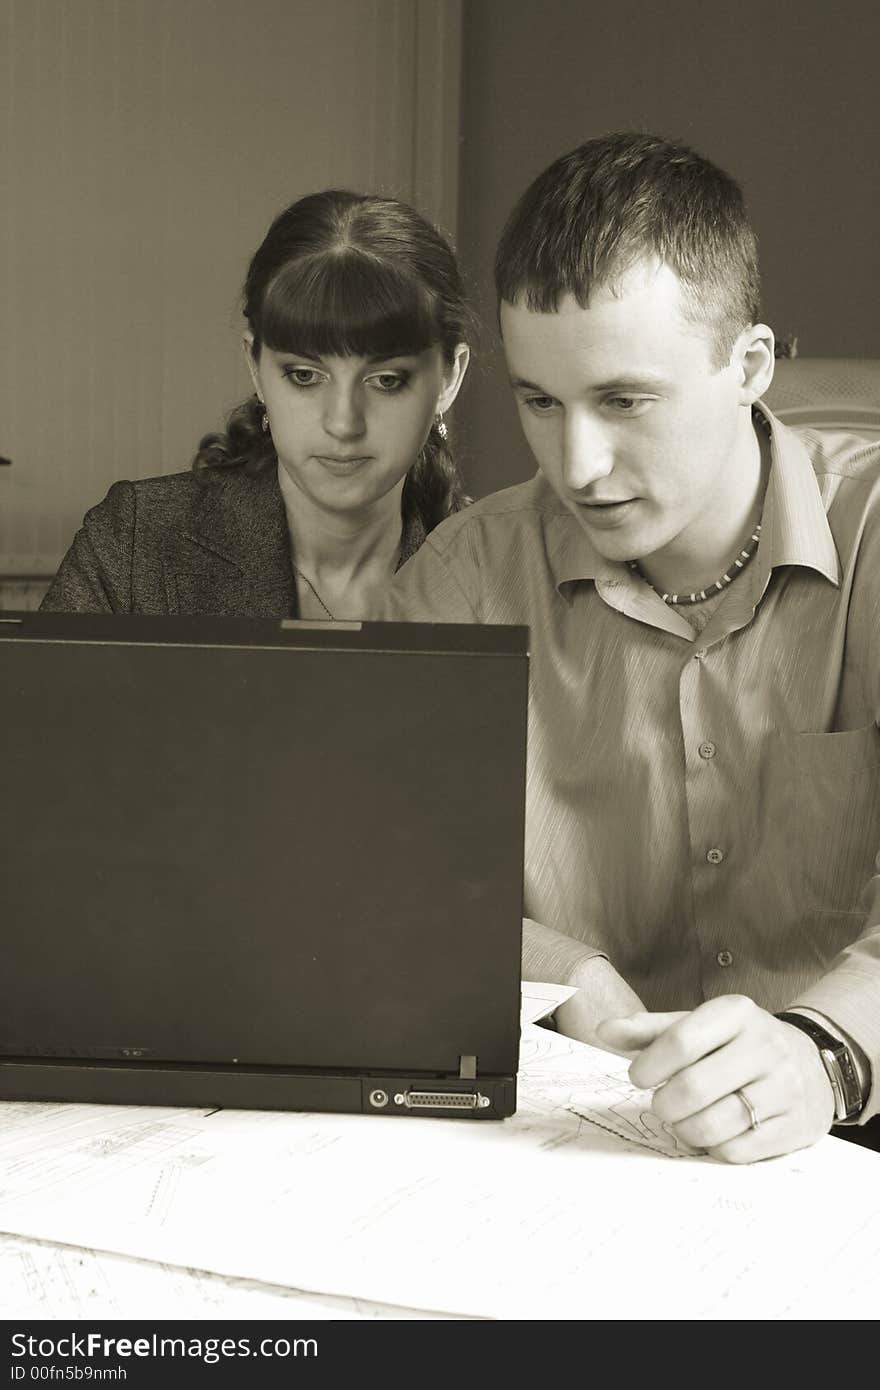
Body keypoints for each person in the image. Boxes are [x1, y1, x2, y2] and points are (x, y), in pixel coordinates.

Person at [383, 132, 880, 1162]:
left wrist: (819, 1052)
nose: (579, 463)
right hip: (583, 1137)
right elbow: (382, 870)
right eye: (539, 402)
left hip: (856, 1121)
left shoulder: (870, 531)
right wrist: (561, 975)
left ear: (749, 365)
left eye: (622, 400)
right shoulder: (456, 582)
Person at [40, 190, 471, 619]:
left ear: (449, 378)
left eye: (386, 380)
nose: (343, 423)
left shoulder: (495, 570)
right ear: (255, 366)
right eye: (305, 376)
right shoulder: (135, 545)